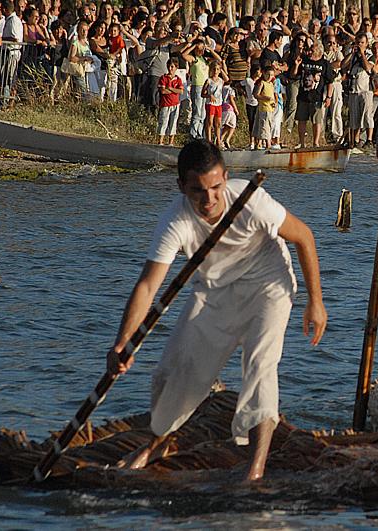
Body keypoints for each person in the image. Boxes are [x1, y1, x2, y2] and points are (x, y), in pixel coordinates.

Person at [107, 139, 327, 481]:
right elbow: (148, 286)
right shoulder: (174, 221)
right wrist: (122, 343)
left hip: (269, 286)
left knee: (260, 365)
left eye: (215, 188)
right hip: (213, 291)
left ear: (226, 177)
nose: (208, 200)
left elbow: (304, 236)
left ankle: (254, 470)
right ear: (181, 186)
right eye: (197, 191)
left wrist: (316, 301)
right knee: (174, 369)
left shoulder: (251, 201)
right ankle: (157, 443)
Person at [294, 41, 335, 147]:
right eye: (309, 50)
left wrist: (329, 97)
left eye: (312, 50)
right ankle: (302, 143)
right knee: (301, 119)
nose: (309, 52)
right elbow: (294, 75)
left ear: (318, 51)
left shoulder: (325, 64)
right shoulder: (304, 61)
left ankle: (315, 142)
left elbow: (330, 82)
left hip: (317, 97)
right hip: (303, 96)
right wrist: (296, 65)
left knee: (317, 121)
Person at [157, 57, 183, 145]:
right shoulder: (163, 78)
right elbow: (163, 91)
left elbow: (180, 91)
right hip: (165, 104)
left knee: (173, 122)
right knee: (163, 121)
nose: (170, 68)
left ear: (176, 68)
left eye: (172, 67)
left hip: (175, 104)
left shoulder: (178, 79)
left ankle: (171, 142)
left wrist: (171, 88)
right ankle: (160, 141)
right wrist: (174, 91)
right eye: (169, 66)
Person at [252, 63, 277, 149]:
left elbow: (272, 96)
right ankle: (267, 144)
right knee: (264, 126)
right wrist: (264, 98)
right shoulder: (262, 83)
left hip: (270, 108)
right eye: (268, 75)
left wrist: (274, 103)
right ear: (264, 74)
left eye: (272, 75)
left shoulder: (271, 84)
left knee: (268, 125)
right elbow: (256, 94)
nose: (270, 77)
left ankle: (260, 143)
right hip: (263, 108)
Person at [202, 60, 225, 147]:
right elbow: (202, 93)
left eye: (217, 69)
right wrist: (209, 95)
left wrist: (222, 68)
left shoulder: (221, 80)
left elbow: (227, 79)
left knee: (218, 123)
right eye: (214, 69)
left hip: (218, 104)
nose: (215, 71)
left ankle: (218, 140)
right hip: (210, 103)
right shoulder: (208, 81)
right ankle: (209, 140)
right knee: (210, 122)